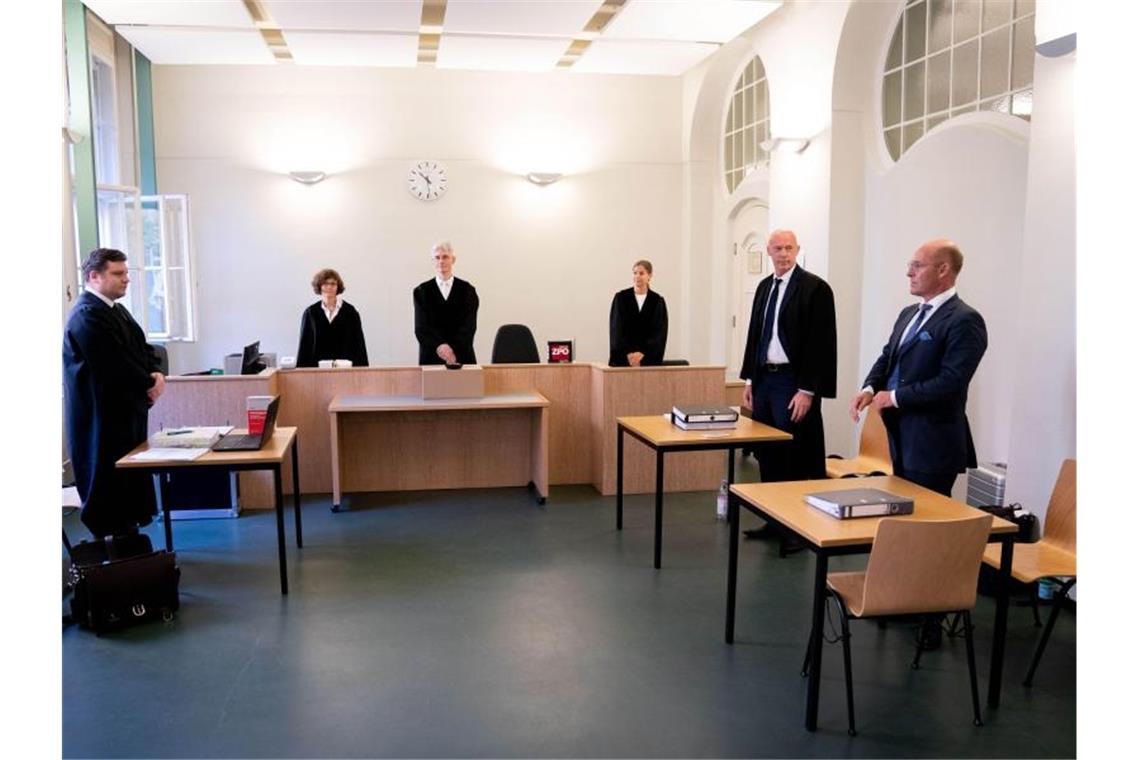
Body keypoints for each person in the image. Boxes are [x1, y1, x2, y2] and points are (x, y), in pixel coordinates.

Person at [850, 238, 987, 497]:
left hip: (932, 443)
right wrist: (869, 388)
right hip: (900, 437)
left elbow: (950, 382)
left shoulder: (965, 320)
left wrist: (893, 397)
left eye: (917, 265)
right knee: (901, 521)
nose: (908, 272)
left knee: (925, 527)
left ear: (943, 269)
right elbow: (889, 356)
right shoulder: (908, 313)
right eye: (909, 265)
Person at [64, 248, 166, 538]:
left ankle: (130, 551)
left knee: (128, 489)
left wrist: (156, 373)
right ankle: (115, 558)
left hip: (124, 416)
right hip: (101, 420)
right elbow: (113, 366)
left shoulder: (115, 309)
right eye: (118, 274)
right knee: (108, 487)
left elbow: (144, 349)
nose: (126, 279)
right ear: (94, 276)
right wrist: (150, 382)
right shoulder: (86, 315)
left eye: (126, 273)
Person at [740, 229, 837, 483]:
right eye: (778, 248)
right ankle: (770, 519)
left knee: (793, 451)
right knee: (766, 449)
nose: (783, 254)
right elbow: (755, 336)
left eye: (788, 248)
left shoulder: (815, 288)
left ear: (797, 250)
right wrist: (750, 379)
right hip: (764, 379)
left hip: (793, 382)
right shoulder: (764, 287)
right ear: (769, 251)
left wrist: (807, 390)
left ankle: (789, 519)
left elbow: (821, 344)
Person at [413, 241, 480, 365]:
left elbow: (469, 326)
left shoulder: (468, 290)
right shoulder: (421, 291)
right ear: (432, 261)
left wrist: (452, 350)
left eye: (445, 257)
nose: (441, 261)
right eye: (437, 258)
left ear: (453, 260)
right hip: (431, 358)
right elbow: (421, 328)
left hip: (462, 357)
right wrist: (440, 347)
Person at [296, 268, 369, 367]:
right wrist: (302, 373)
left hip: (345, 370)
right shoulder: (310, 313)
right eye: (325, 284)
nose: (329, 287)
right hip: (317, 372)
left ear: (338, 287)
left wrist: (362, 371)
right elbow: (304, 346)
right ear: (319, 286)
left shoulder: (350, 312)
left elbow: (359, 344)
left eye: (333, 284)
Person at [608, 259, 669, 367]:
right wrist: (629, 354)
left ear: (649, 276)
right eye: (635, 273)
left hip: (648, 359)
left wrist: (642, 353)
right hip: (624, 360)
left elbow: (659, 333)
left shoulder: (657, 301)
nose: (637, 276)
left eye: (641, 273)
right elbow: (616, 330)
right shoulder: (621, 298)